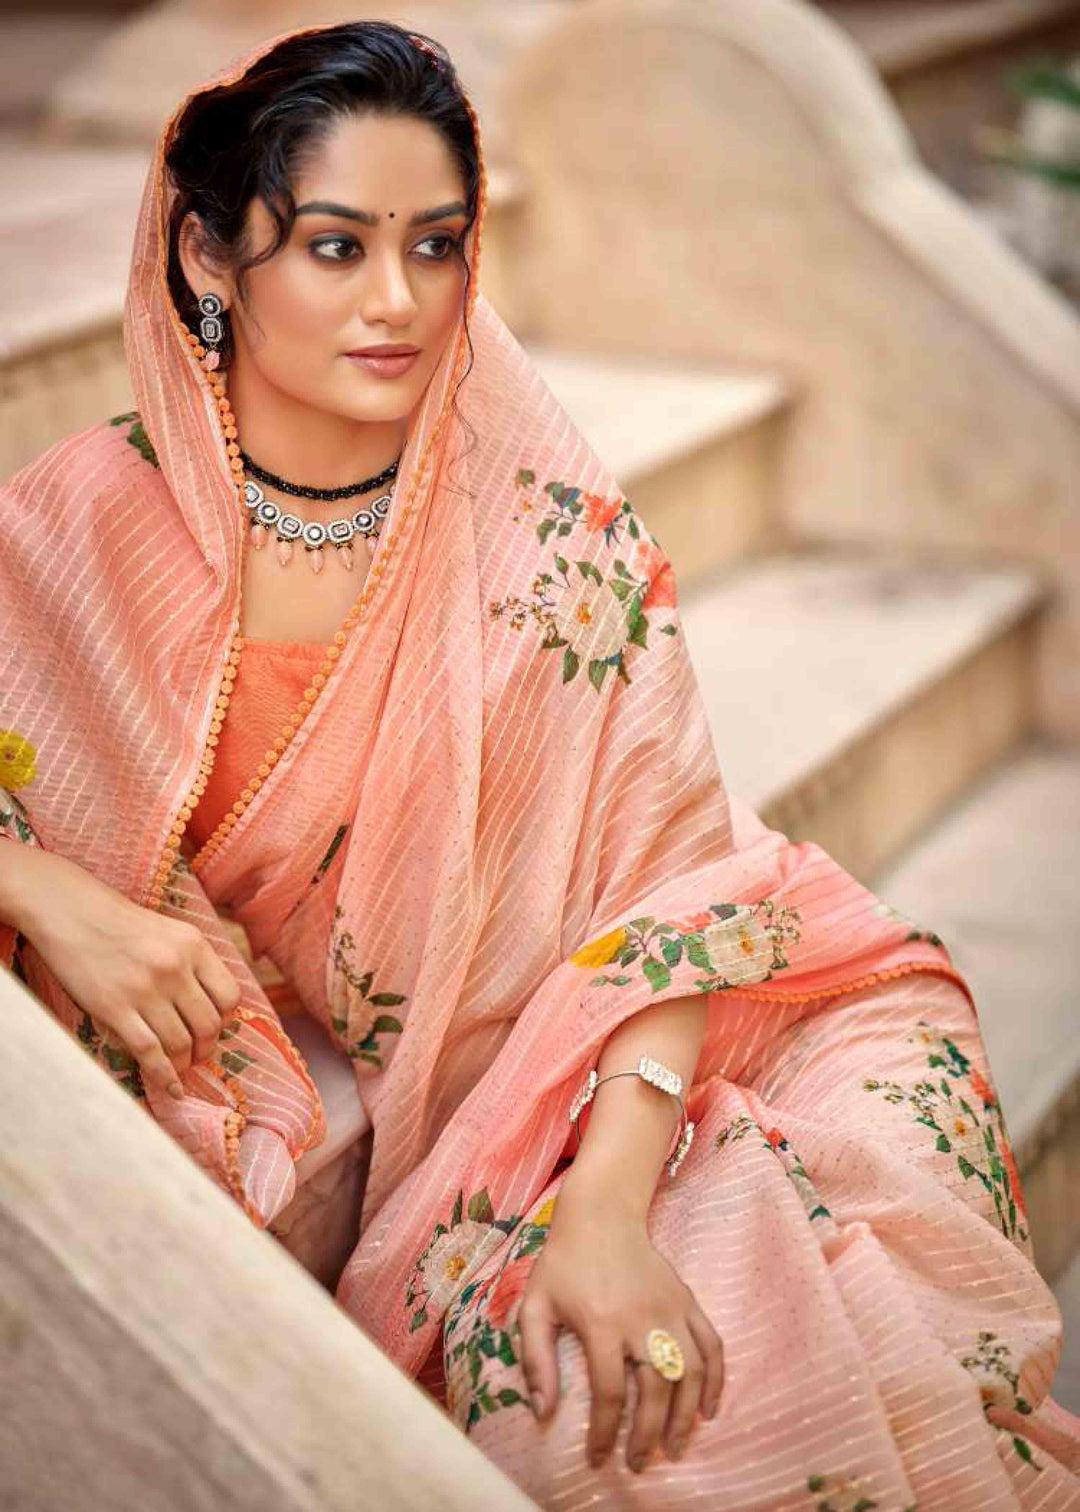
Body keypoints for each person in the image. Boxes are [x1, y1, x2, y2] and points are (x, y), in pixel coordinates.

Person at [1, 19, 1077, 1510]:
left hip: (711, 1036)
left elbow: (677, 894)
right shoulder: (79, 530)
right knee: (625, 1419)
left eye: (436, 246)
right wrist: (40, 880)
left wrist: (609, 1210)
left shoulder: (549, 542)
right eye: (334, 248)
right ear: (206, 254)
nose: (398, 302)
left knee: (760, 1337)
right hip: (503, 1096)